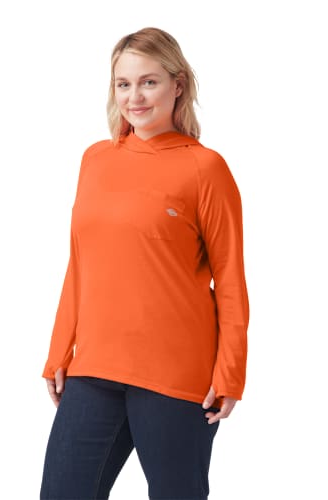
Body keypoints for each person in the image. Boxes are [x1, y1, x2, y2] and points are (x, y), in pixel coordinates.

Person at [40, 27, 249, 500]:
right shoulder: (96, 159)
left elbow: (230, 279)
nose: (134, 97)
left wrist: (231, 372)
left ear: (178, 85)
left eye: (148, 82)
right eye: (124, 84)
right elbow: (80, 265)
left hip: (176, 375)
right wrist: (59, 350)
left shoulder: (206, 168)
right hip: (95, 366)